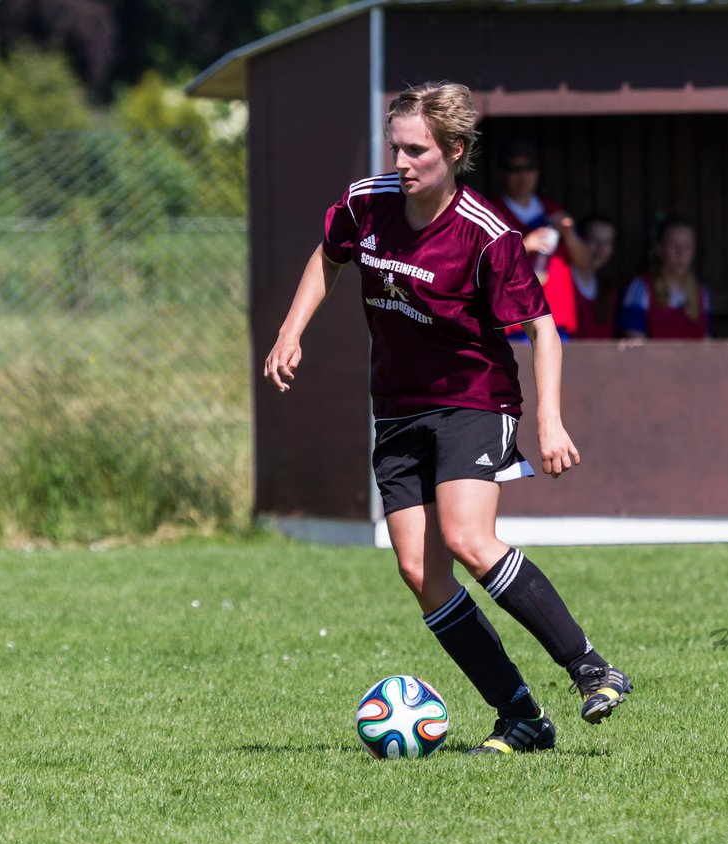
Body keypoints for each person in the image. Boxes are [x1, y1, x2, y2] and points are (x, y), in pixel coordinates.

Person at [263, 82, 631, 755]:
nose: (400, 162)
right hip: (398, 408)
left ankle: (591, 668)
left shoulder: (488, 235)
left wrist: (550, 420)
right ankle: (521, 715)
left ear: (454, 152)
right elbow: (328, 257)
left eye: (416, 151)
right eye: (395, 147)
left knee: (466, 537)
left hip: (475, 399)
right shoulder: (364, 204)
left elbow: (543, 329)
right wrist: (292, 332)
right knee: (418, 572)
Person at [490, 141, 589, 339]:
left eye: (528, 168)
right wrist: (524, 246)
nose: (522, 175)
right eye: (514, 169)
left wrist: (569, 234)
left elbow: (585, 264)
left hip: (557, 318)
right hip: (515, 322)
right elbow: (482, 263)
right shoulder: (492, 212)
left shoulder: (553, 210)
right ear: (501, 174)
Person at [617, 216, 710, 340]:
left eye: (687, 247)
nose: (680, 253)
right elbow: (635, 346)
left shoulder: (701, 293)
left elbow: (706, 343)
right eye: (674, 246)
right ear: (659, 248)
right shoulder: (641, 288)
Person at [565, 214, 619, 340]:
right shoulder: (563, 281)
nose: (600, 249)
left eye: (607, 243)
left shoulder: (608, 289)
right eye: (594, 240)